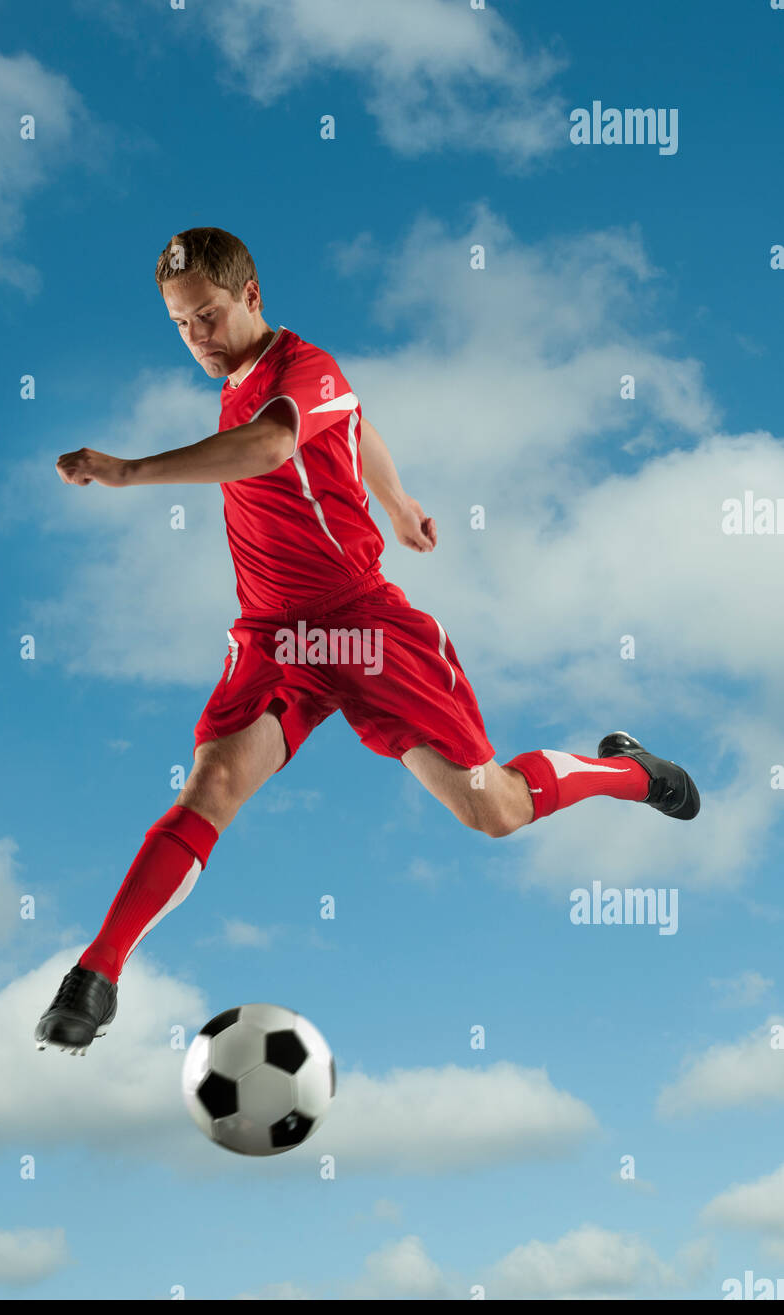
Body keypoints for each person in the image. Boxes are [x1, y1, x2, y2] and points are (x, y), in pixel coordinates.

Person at [35, 226, 699, 1055]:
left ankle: (625, 770)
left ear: (250, 297)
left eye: (207, 315)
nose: (195, 336)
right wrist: (396, 497)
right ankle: (95, 976)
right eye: (178, 323)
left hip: (361, 628)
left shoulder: (298, 370)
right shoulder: (241, 383)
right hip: (275, 636)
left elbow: (279, 440)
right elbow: (354, 424)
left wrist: (129, 471)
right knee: (210, 784)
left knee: (491, 811)